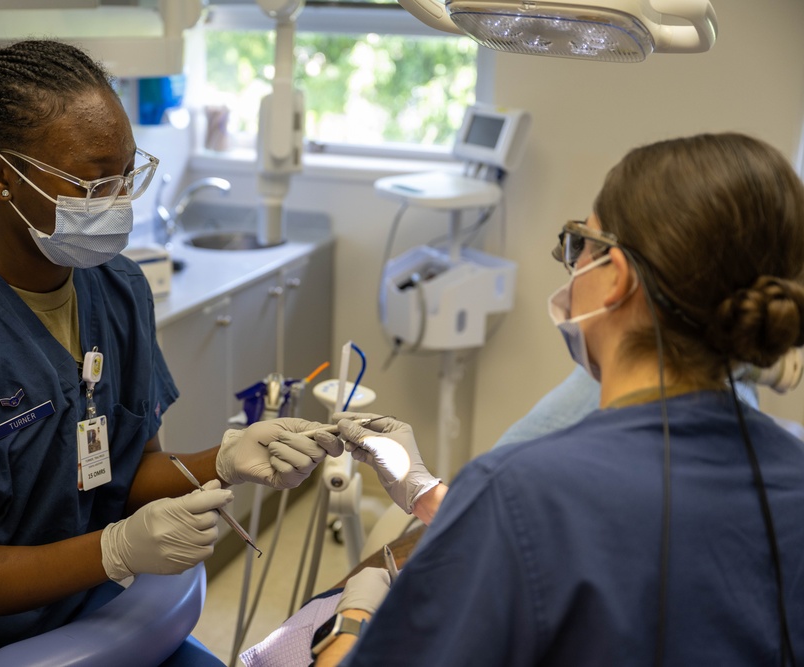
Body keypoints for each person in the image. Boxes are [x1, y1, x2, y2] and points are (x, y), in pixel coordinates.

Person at [0, 40, 340, 666]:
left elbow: (130, 473)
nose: (117, 202)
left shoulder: (118, 289)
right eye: (91, 182)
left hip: (64, 604)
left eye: (126, 174)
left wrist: (229, 457)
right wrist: (115, 550)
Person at [310, 133, 804, 665]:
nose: (570, 268)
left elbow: (546, 522)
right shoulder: (793, 474)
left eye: (579, 245)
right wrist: (429, 493)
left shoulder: (516, 491)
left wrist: (351, 622)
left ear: (614, 276)